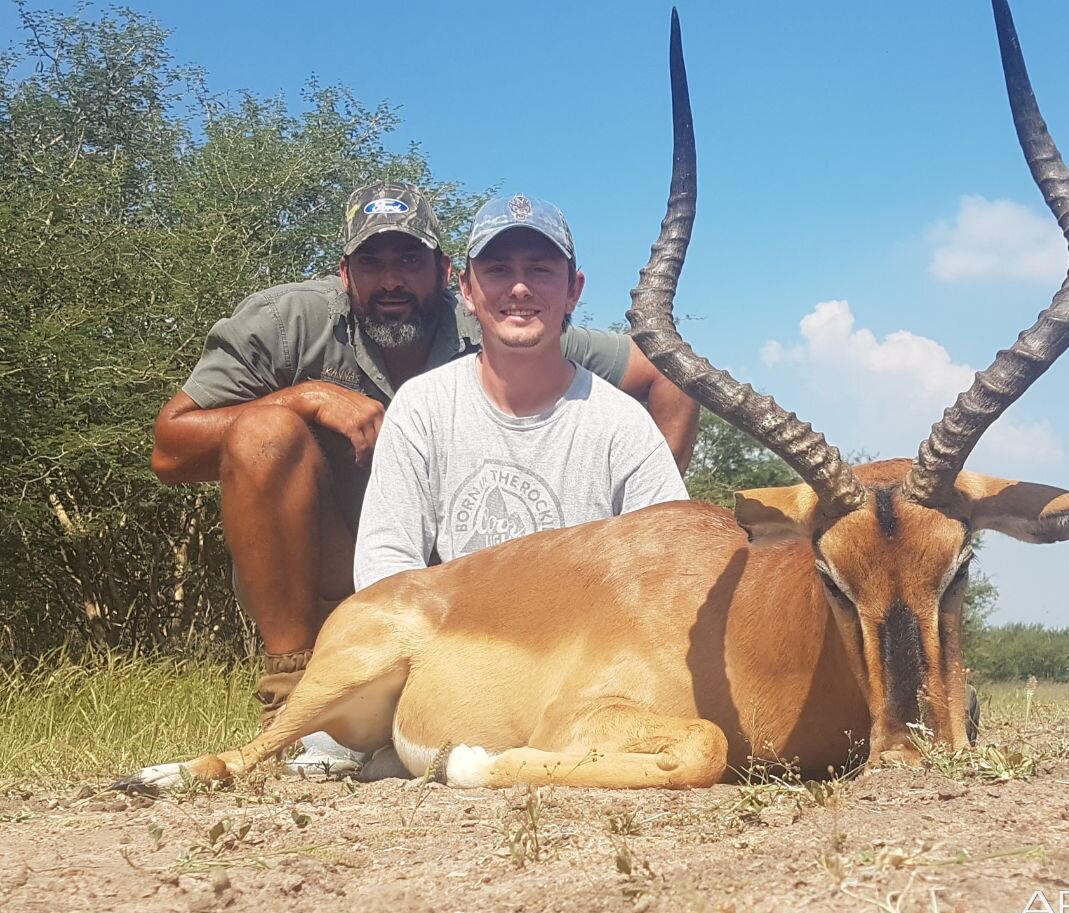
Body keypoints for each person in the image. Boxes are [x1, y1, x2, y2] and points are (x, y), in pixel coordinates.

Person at [150, 181, 697, 755]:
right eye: (372, 262)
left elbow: (667, 377)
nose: (391, 280)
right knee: (265, 432)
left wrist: (647, 531)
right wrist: (304, 397)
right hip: (365, 584)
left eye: (410, 260)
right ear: (345, 272)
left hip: (494, 608)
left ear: (443, 275)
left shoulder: (522, 332)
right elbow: (169, 449)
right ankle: (291, 693)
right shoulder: (292, 324)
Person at [354, 193, 689, 591]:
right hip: (455, 641)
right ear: (467, 289)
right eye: (497, 270)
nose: (519, 288)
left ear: (573, 291)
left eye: (540, 270)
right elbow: (385, 559)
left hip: (586, 643)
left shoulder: (623, 424)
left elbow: (671, 565)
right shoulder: (421, 407)